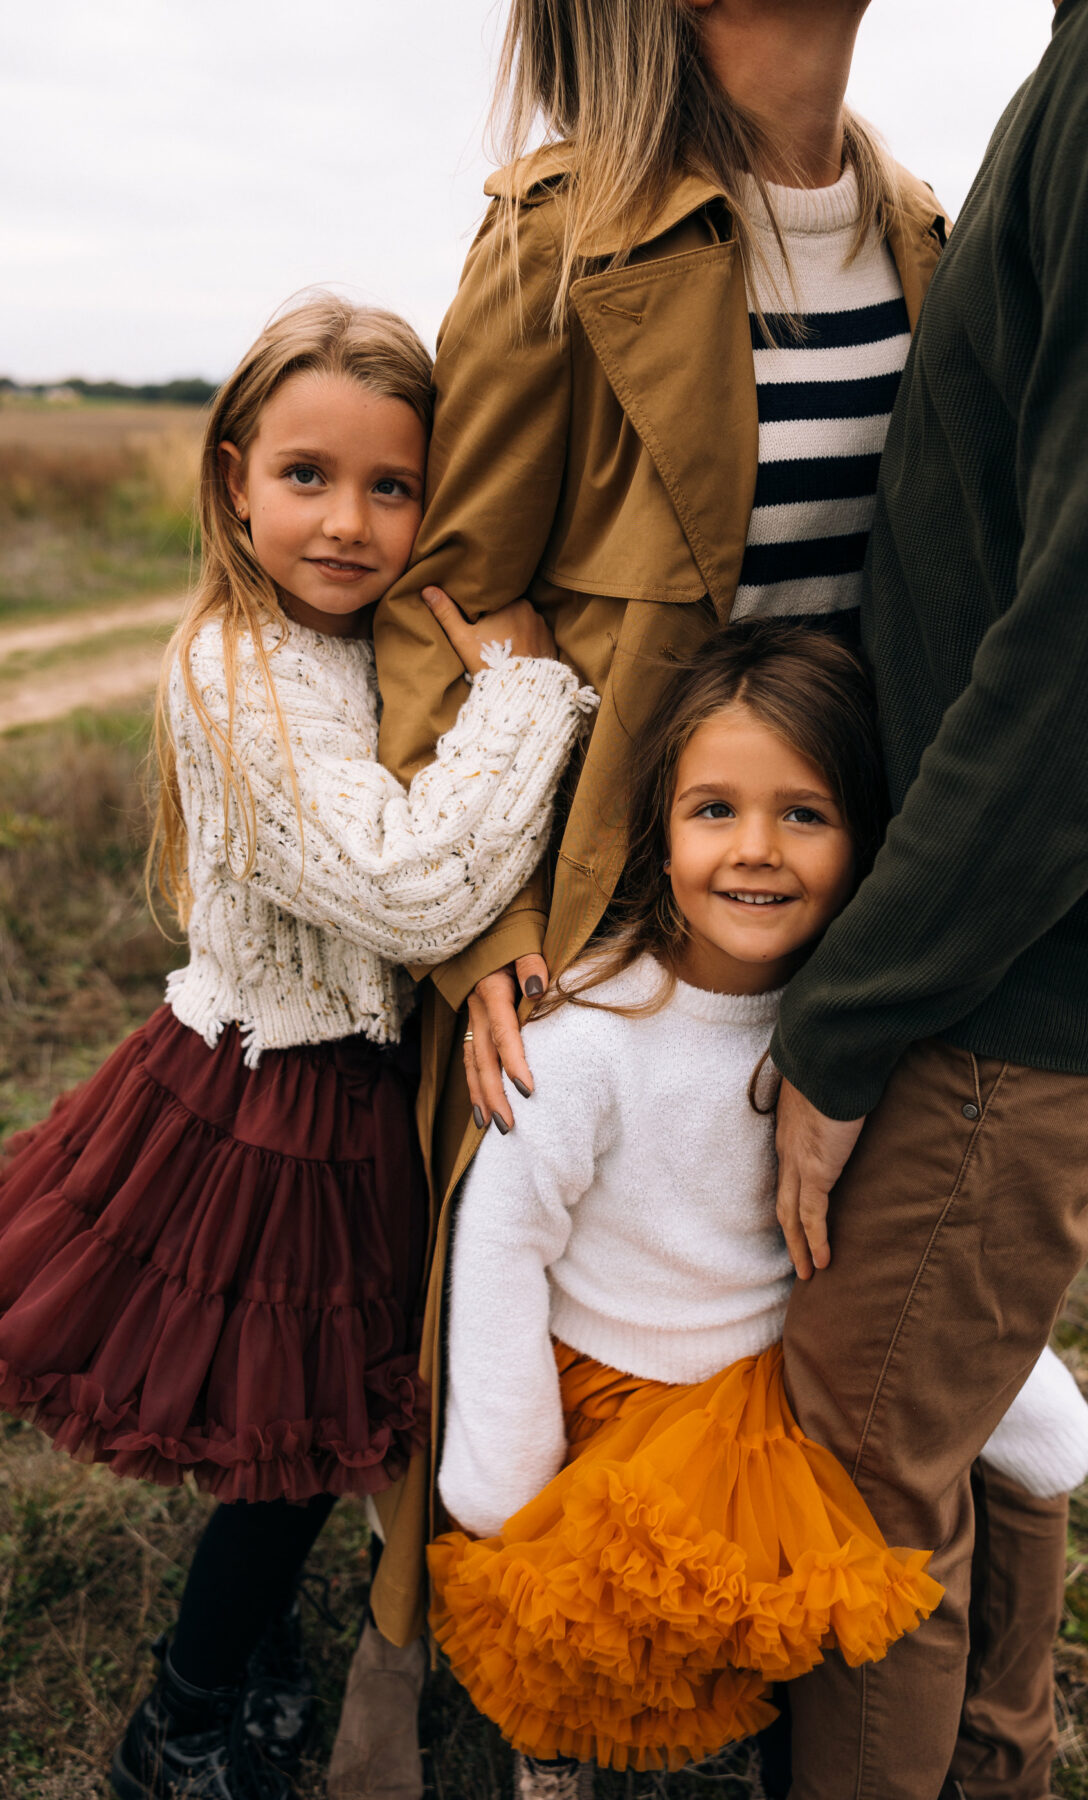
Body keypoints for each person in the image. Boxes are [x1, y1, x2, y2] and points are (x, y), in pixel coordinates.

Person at [366, 0, 953, 1669]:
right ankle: (466, 1666)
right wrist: (480, 935)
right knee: (543, 1306)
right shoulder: (564, 235)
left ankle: (781, 1649)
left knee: (791, 1286)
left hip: (849, 881)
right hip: (609, 893)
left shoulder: (926, 230)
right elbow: (444, 594)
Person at [0, 294, 595, 1800]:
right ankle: (176, 1727)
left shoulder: (340, 647)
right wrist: (527, 696)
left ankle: (246, 1661)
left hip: (333, 1085)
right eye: (308, 477)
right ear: (233, 480)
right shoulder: (235, 668)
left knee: (311, 1435)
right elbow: (409, 884)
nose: (348, 522)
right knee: (295, 1451)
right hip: (271, 1099)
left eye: (393, 487)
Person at [427, 623, 1088, 1800]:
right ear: (660, 825)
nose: (755, 852)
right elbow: (503, 1245)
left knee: (768, 1628)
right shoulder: (592, 1038)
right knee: (582, 1636)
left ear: (868, 838)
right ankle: (554, 1761)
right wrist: (506, 1481)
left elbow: (916, 1233)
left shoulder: (859, 1040)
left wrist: (1018, 1377)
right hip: (609, 1401)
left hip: (770, 1393)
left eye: (805, 814)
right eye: (713, 811)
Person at [760, 0, 1088, 1794]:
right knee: (931, 1441)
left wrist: (851, 1017)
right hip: (1046, 942)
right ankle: (998, 1761)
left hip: (1017, 973)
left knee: (859, 1481)